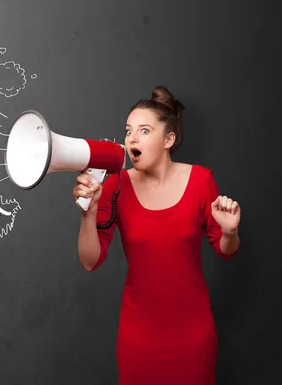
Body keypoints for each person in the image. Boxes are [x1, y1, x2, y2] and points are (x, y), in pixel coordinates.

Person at [73, 86, 241, 385]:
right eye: (128, 131)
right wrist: (88, 212)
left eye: (144, 131)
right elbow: (89, 261)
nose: (131, 139)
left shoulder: (202, 180)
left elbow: (225, 250)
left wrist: (229, 231)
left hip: (193, 334)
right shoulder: (115, 186)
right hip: (138, 338)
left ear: (169, 139)